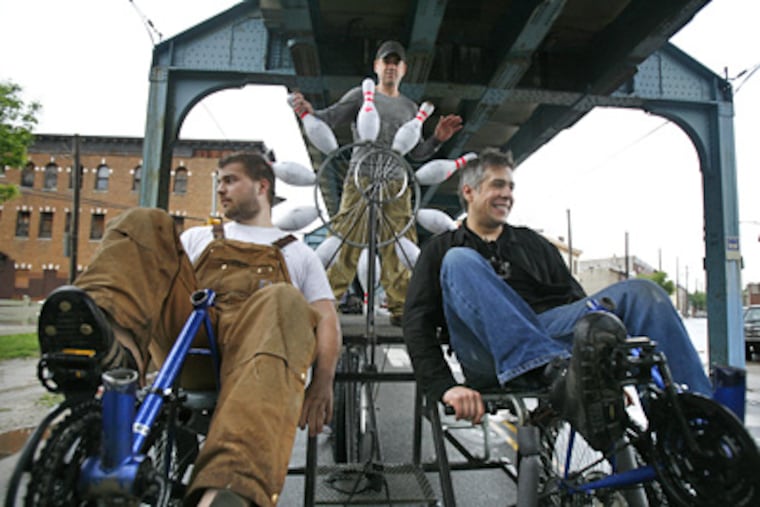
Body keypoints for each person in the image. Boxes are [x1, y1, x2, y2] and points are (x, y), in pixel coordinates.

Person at [37, 152, 341, 507]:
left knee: (286, 299)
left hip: (258, 359)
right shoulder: (199, 237)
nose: (221, 188)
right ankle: (113, 352)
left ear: (262, 186)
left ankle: (226, 493)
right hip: (193, 346)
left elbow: (327, 318)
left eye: (230, 180)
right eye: (219, 181)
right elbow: (154, 279)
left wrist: (323, 382)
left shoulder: (298, 252)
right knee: (146, 222)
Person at [403, 147, 712, 450]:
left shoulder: (533, 243)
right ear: (468, 192)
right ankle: (556, 373)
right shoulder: (442, 249)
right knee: (460, 260)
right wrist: (445, 387)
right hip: (486, 353)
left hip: (550, 337)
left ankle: (696, 430)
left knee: (644, 293)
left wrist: (607, 369)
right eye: (498, 184)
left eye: (511, 187)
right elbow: (417, 324)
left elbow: (579, 306)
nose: (507, 194)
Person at [290, 40, 464, 325]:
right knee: (345, 242)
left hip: (396, 184)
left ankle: (402, 309)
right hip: (360, 179)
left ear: (404, 69)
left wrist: (437, 139)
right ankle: (324, 303)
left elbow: (416, 153)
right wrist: (308, 111)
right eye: (386, 62)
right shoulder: (360, 95)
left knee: (399, 246)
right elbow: (329, 118)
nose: (391, 67)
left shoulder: (410, 107)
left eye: (396, 62)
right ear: (377, 66)